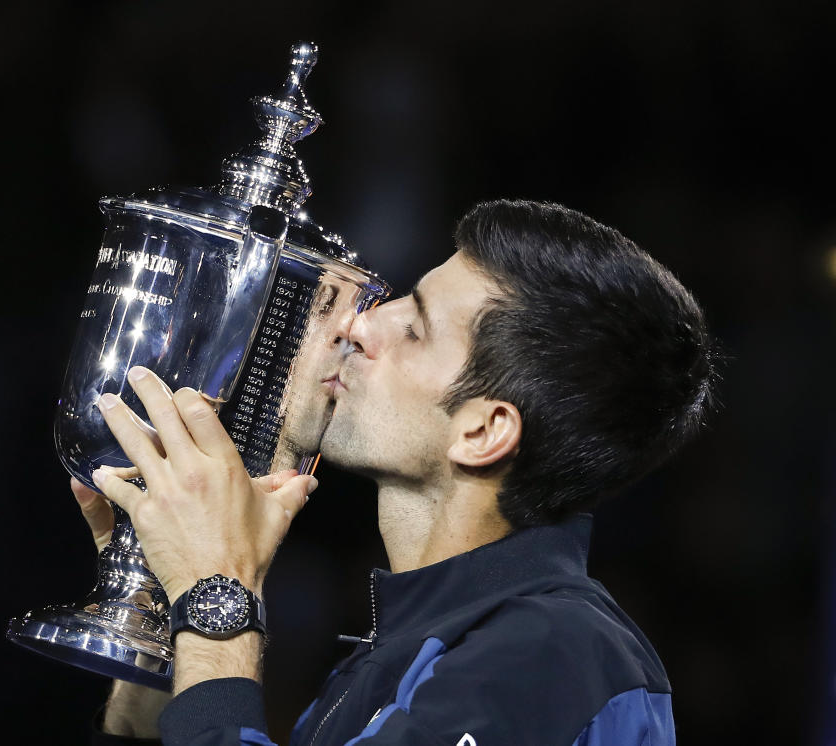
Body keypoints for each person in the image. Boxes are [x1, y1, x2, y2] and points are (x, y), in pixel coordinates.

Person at [73, 198, 718, 745]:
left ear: (483, 431)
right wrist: (163, 608)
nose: (360, 322)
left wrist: (218, 589)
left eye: (413, 327)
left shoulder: (553, 652)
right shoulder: (414, 648)